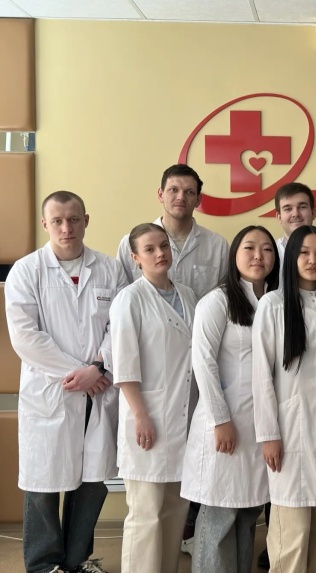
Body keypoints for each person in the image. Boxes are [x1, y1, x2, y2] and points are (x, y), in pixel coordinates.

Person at [5, 191, 127, 573]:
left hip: (99, 392)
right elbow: (26, 337)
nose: (66, 228)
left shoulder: (110, 269)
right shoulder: (27, 271)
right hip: (52, 393)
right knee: (43, 485)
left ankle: (76, 562)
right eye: (57, 220)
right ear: (45, 224)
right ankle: (44, 566)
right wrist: (82, 372)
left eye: (73, 219)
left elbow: (122, 326)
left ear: (86, 220)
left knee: (91, 483)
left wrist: (99, 367)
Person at [180, 225, 280, 573]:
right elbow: (203, 362)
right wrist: (220, 420)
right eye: (249, 247)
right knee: (220, 515)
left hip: (260, 426)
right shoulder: (218, 301)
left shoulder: (276, 302)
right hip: (225, 424)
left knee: (248, 513)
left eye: (267, 249)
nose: (258, 256)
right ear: (234, 254)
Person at [253, 225, 316, 573]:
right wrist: (269, 435)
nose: (313, 260)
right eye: (304, 253)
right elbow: (261, 376)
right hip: (291, 429)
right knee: (291, 536)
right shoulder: (273, 305)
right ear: (291, 257)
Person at [110, 223, 198, 573]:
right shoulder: (130, 299)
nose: (160, 253)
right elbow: (124, 366)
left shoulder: (188, 295)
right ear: (135, 257)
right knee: (146, 513)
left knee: (175, 510)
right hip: (147, 416)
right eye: (149, 249)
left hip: (183, 417)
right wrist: (141, 416)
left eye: (164, 245)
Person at [117, 164, 229, 299]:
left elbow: (223, 299)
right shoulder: (130, 244)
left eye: (189, 192)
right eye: (173, 190)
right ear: (160, 195)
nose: (180, 197)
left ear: (198, 200)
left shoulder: (218, 246)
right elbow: (121, 297)